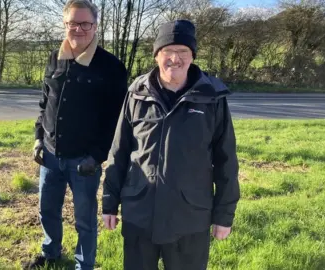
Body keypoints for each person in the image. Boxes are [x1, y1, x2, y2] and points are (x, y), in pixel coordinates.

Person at [102, 19, 240, 270]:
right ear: (157, 55)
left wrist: (224, 215)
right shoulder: (136, 94)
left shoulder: (212, 99)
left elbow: (226, 161)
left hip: (189, 218)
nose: (175, 58)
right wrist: (110, 202)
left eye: (183, 52)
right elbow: (119, 152)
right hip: (140, 214)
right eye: (168, 51)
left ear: (192, 56)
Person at [26, 0, 128, 269]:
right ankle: (51, 252)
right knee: (47, 210)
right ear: (65, 24)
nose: (79, 29)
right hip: (49, 156)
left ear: (95, 26)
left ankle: (85, 265)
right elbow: (44, 103)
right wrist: (38, 137)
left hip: (84, 162)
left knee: (84, 219)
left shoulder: (111, 67)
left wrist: (96, 156)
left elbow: (114, 121)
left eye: (85, 24)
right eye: (73, 23)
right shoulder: (54, 58)